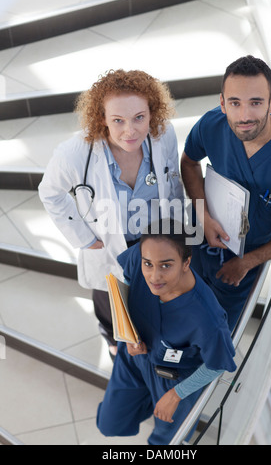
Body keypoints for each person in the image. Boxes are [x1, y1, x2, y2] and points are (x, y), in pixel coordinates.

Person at [38, 69, 184, 359]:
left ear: (152, 113)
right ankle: (112, 340)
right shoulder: (74, 154)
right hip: (106, 248)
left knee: (151, 299)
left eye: (139, 117)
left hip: (152, 241)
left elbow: (173, 178)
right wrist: (83, 237)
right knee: (111, 303)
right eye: (118, 120)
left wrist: (177, 231)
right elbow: (49, 192)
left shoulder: (163, 135)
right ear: (101, 119)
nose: (130, 131)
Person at [181, 55, 271, 331]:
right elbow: (189, 162)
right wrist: (203, 215)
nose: (244, 116)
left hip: (245, 261)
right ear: (222, 103)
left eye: (256, 103)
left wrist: (249, 262)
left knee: (219, 330)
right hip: (196, 237)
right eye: (235, 103)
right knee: (180, 308)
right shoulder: (212, 125)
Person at [97, 219, 236, 445]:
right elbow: (129, 280)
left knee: (167, 443)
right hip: (136, 355)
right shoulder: (139, 257)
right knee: (110, 422)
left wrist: (176, 395)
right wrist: (129, 336)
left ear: (186, 262)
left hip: (175, 377)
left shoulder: (206, 318)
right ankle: (145, 403)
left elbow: (218, 363)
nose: (154, 276)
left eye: (166, 265)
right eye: (148, 264)